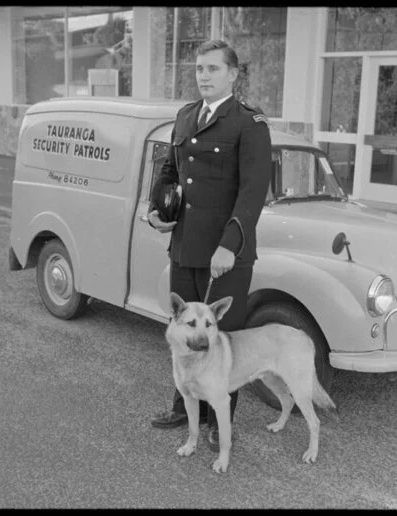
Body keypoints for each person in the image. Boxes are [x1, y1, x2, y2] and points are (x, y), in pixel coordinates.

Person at [147, 39, 272, 452]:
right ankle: (184, 409)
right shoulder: (185, 116)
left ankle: (221, 420)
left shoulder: (249, 124)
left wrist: (229, 245)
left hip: (225, 253)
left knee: (219, 338)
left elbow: (253, 192)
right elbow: (169, 169)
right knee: (183, 332)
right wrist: (157, 209)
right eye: (199, 68)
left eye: (213, 69)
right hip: (184, 245)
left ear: (233, 74)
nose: (203, 75)